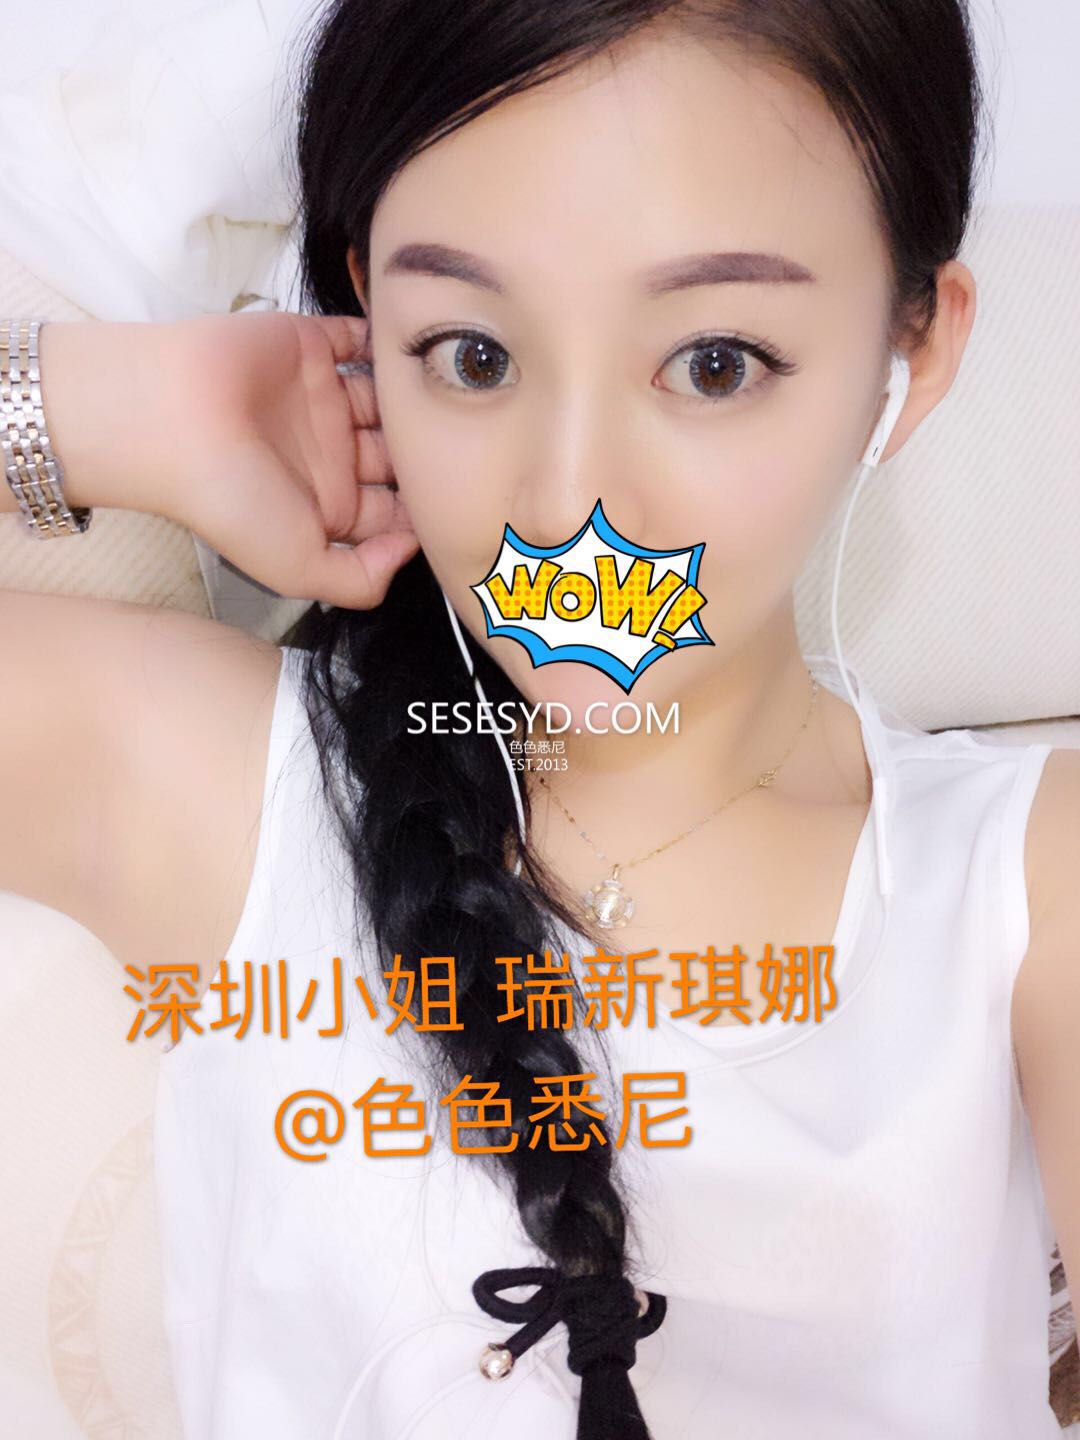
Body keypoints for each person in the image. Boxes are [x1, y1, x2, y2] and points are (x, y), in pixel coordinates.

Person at [2, 0, 1078, 1435]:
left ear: (916, 349)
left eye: (713, 363)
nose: (568, 503)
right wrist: (100, 407)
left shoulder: (1032, 886)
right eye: (472, 355)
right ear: (365, 323)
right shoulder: (207, 785)